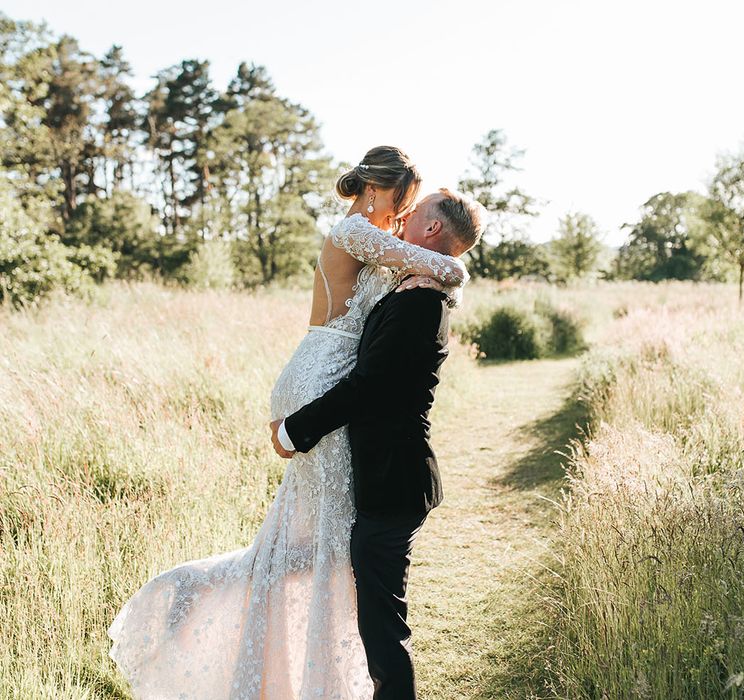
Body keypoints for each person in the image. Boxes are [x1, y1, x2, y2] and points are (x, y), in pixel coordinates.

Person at [107, 146, 471, 699]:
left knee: (323, 541)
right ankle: (299, 666)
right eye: (402, 200)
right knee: (329, 543)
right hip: (324, 372)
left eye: (413, 207)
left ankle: (298, 666)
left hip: (325, 371)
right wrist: (456, 268)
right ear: (378, 189)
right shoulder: (354, 230)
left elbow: (419, 270)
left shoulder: (376, 239)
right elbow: (442, 263)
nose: (404, 214)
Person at [271, 188, 486, 699]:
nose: (407, 214)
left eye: (419, 210)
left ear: (433, 230)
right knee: (372, 608)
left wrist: (292, 432)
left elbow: (366, 387)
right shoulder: (413, 287)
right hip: (386, 474)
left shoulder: (422, 303)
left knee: (383, 621)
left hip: (395, 479)